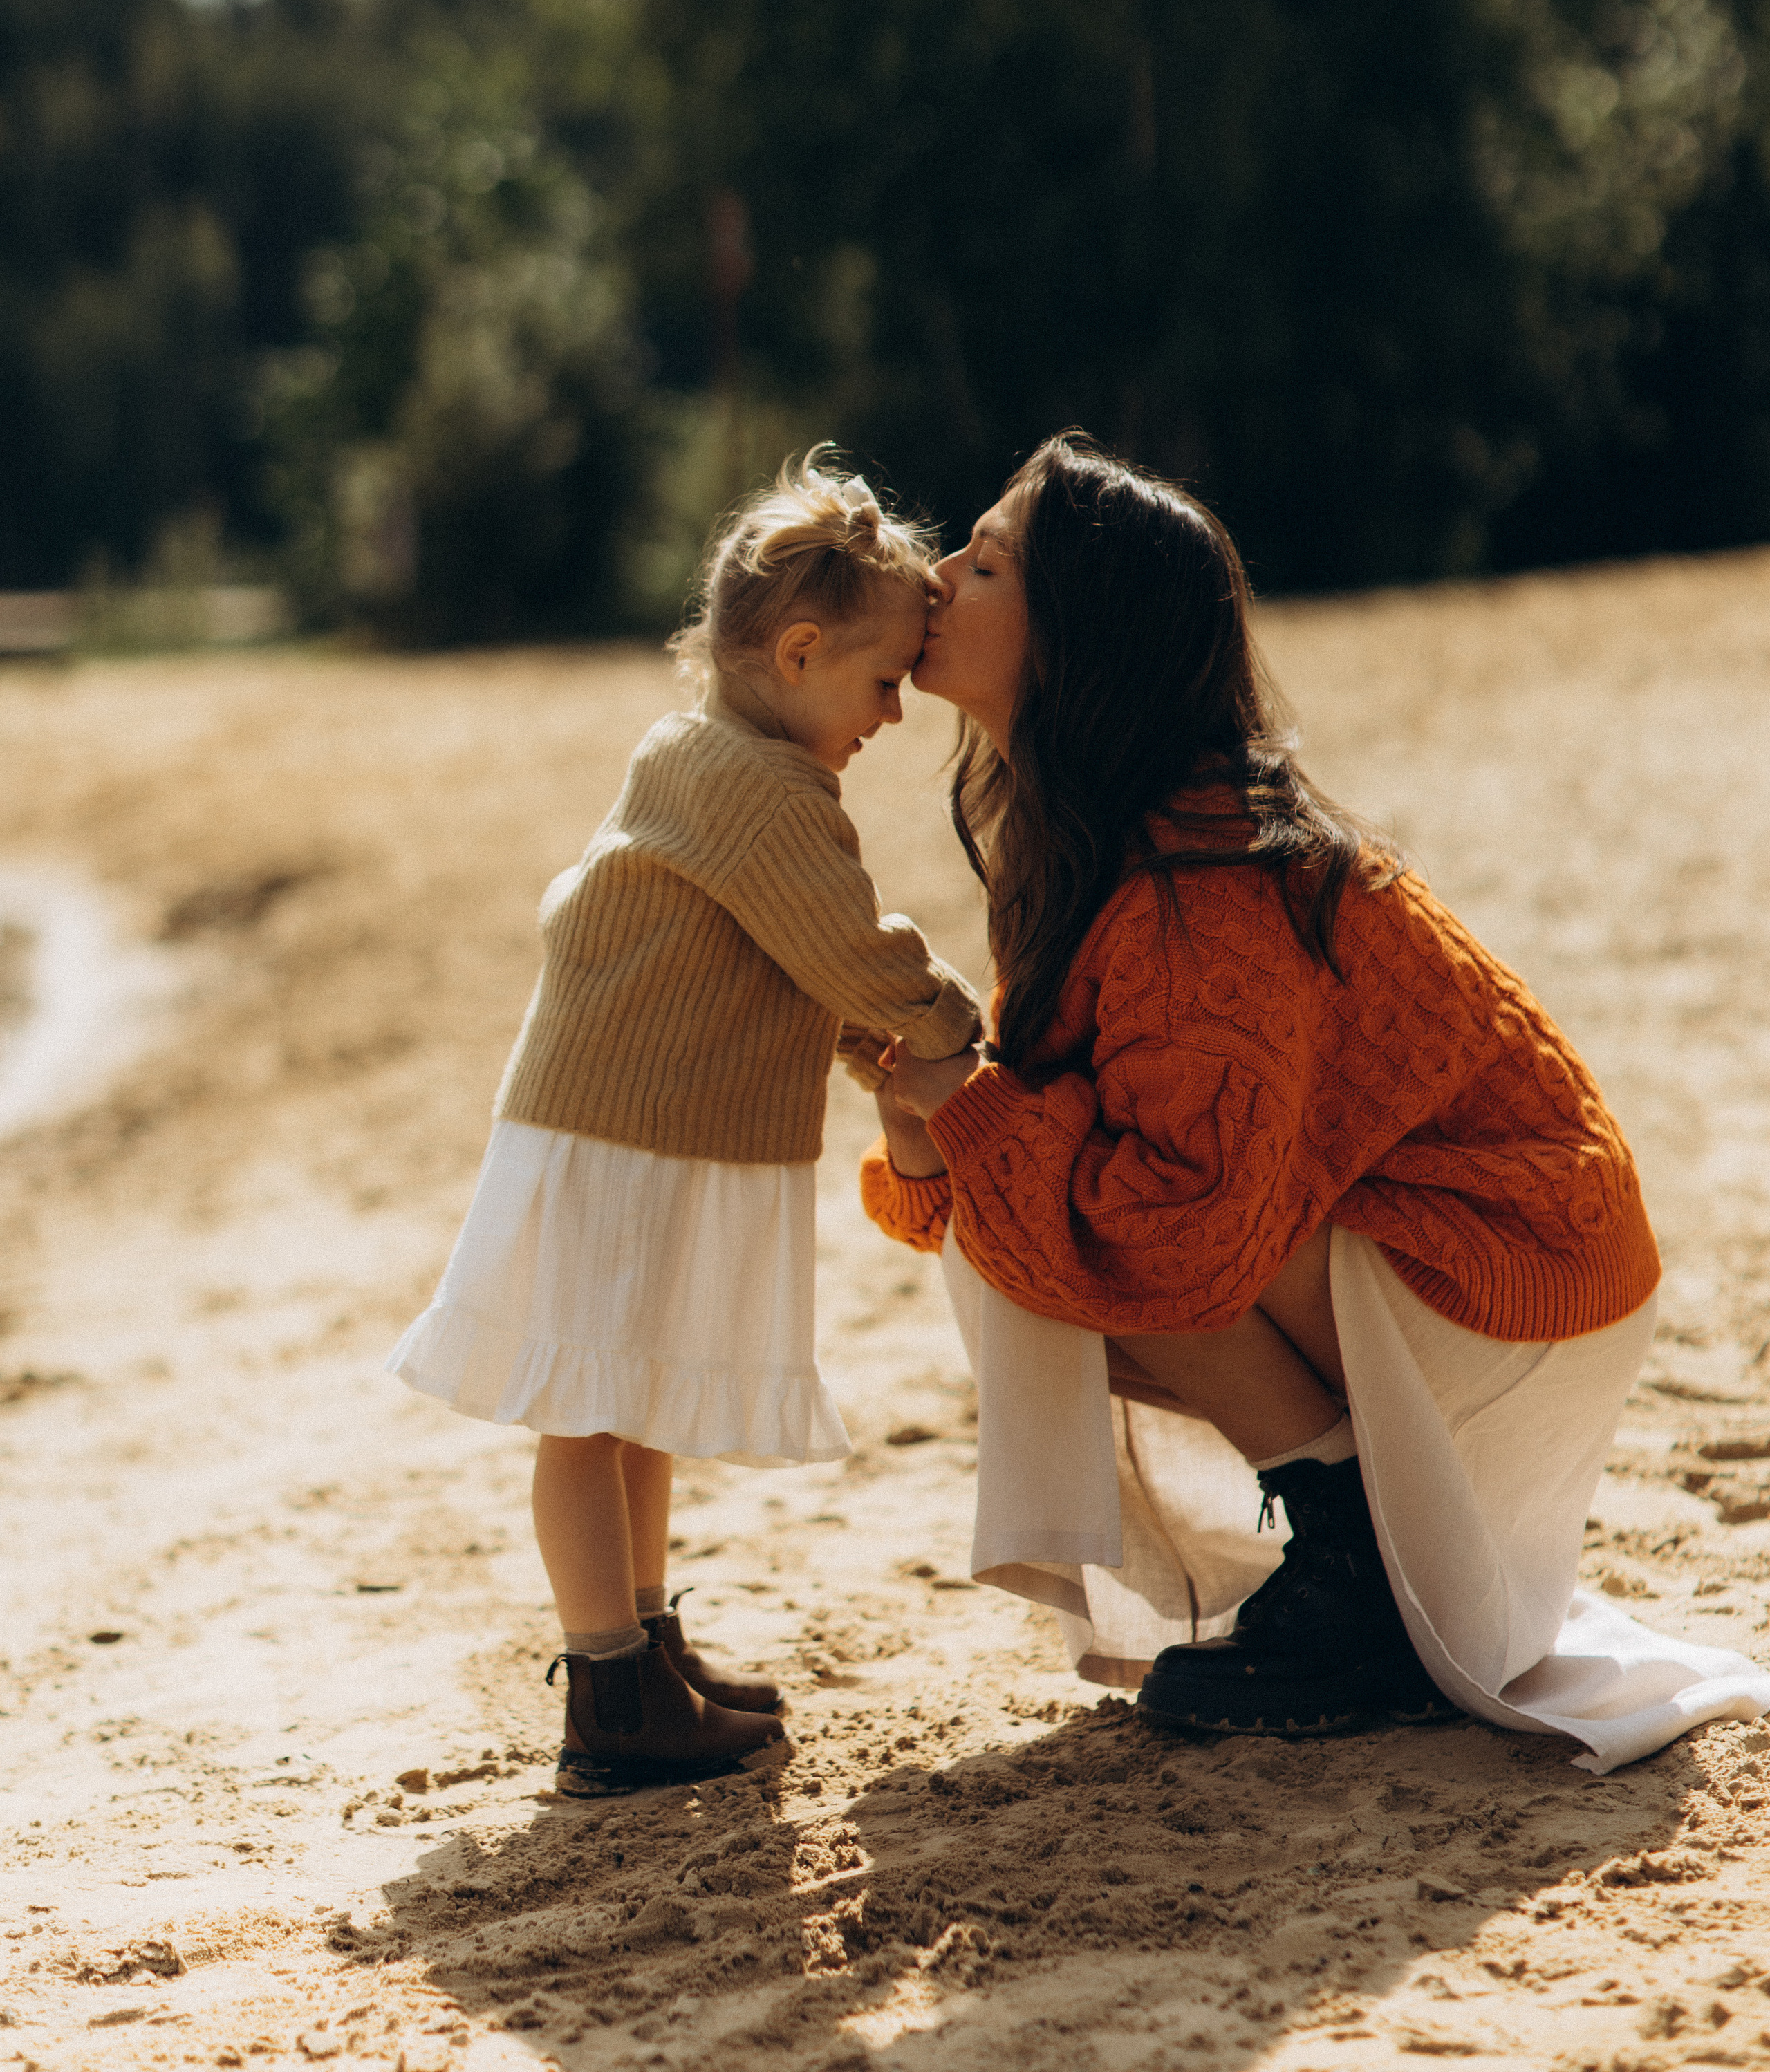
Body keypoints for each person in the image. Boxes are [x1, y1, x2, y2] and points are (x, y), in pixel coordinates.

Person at [862, 433, 1770, 1768]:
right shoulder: (1085, 838)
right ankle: (1349, 1538)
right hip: (1419, 1245)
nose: (939, 576)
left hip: (1520, 1264)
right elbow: (1049, 1166)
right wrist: (923, 1125)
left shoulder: (1203, 885)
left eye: (986, 561)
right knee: (1024, 1237)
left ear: (1078, 639)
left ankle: (1354, 1572)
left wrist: (971, 1113)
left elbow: (1178, 1223)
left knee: (1099, 1212)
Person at [389, 452, 980, 1789]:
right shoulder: (757, 790)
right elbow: (846, 949)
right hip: (622, 1135)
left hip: (651, 1125)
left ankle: (645, 1645)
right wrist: (953, 1026)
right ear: (799, 651)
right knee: (587, 1413)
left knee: (632, 1395)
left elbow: (784, 966)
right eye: (884, 681)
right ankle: (606, 1689)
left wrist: (874, 1045)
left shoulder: (712, 758)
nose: (895, 712)